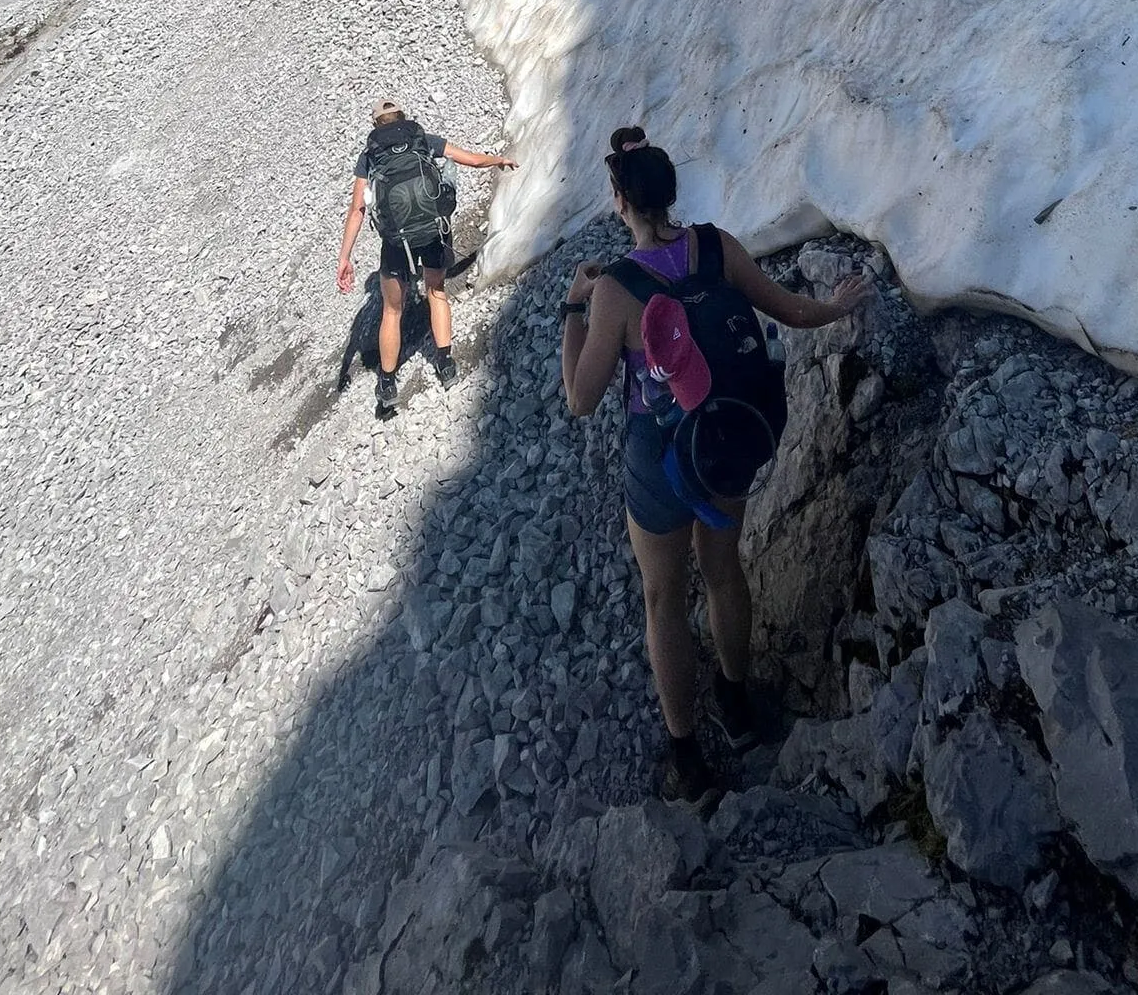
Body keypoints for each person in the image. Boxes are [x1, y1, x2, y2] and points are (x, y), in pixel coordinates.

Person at [559, 125, 868, 801]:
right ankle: (735, 700)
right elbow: (788, 311)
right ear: (669, 193)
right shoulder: (715, 246)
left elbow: (581, 399)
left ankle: (687, 754)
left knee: (664, 598)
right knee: (723, 570)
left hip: (661, 457)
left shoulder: (614, 290)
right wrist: (837, 305)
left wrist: (573, 307)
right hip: (726, 438)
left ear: (620, 201)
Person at [336, 100, 517, 417]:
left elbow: (357, 210)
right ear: (402, 119)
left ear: (376, 125)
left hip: (396, 243)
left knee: (392, 310)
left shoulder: (370, 156)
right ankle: (446, 365)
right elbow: (471, 160)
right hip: (433, 233)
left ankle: (388, 384)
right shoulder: (423, 140)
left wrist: (345, 257)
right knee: (436, 291)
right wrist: (498, 160)